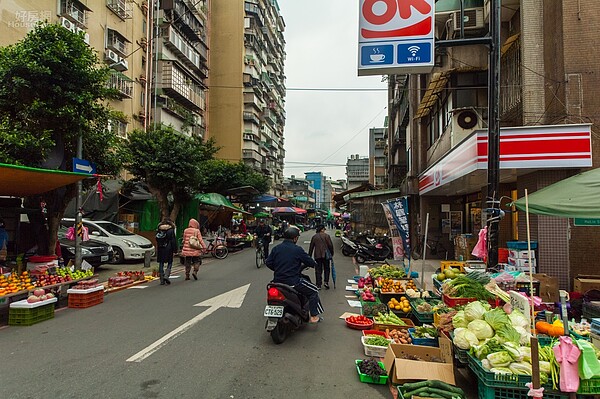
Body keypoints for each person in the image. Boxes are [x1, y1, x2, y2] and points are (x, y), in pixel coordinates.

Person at [266, 227, 323, 324]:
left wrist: (278, 269)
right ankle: (313, 316)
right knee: (314, 290)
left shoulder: (276, 248)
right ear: (295, 238)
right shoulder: (297, 250)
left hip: (277, 281)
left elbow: (268, 262)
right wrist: (313, 264)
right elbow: (309, 261)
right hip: (293, 281)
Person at [308, 224, 334, 290]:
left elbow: (311, 247)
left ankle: (318, 284)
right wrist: (331, 253)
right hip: (325, 256)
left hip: (317, 256)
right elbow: (330, 245)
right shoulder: (327, 236)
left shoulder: (314, 237)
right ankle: (326, 282)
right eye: (324, 229)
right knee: (326, 269)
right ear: (322, 229)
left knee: (318, 270)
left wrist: (309, 256)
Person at [155, 218, 177, 285]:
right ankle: (166, 276)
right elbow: (173, 240)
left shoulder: (159, 229)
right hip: (169, 248)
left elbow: (156, 238)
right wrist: (175, 249)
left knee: (161, 263)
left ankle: (161, 279)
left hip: (160, 247)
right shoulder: (171, 230)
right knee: (170, 262)